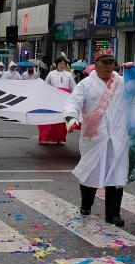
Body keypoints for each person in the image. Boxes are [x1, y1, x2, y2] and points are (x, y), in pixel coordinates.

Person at [61, 50, 129, 226]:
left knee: (116, 175)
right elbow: (73, 103)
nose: (108, 66)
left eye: (111, 62)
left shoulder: (123, 82)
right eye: (104, 62)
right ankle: (86, 203)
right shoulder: (85, 84)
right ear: (96, 63)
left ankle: (114, 213)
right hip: (95, 137)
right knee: (90, 173)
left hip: (118, 137)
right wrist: (71, 118)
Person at [37, 56, 75, 145]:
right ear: (56, 64)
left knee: (61, 120)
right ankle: (45, 138)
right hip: (53, 98)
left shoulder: (69, 75)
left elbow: (73, 87)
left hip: (64, 99)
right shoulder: (51, 74)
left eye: (64, 64)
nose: (62, 65)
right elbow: (46, 85)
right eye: (60, 64)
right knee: (50, 118)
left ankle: (60, 138)